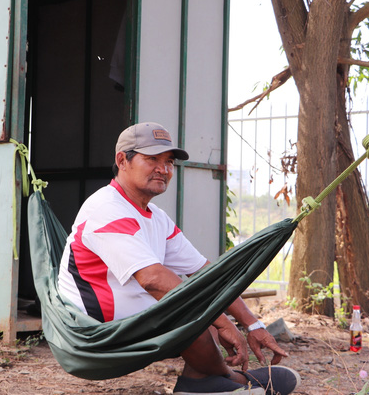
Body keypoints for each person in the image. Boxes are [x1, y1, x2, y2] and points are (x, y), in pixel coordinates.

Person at [58, 122, 300, 394]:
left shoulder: (156, 217)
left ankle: (199, 385)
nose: (163, 169)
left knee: (199, 316)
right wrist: (221, 321)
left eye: (169, 161)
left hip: (135, 318)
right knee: (193, 317)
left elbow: (206, 274)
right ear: (122, 160)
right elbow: (153, 280)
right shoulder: (106, 208)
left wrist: (251, 324)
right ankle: (238, 382)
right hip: (94, 329)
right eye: (152, 159)